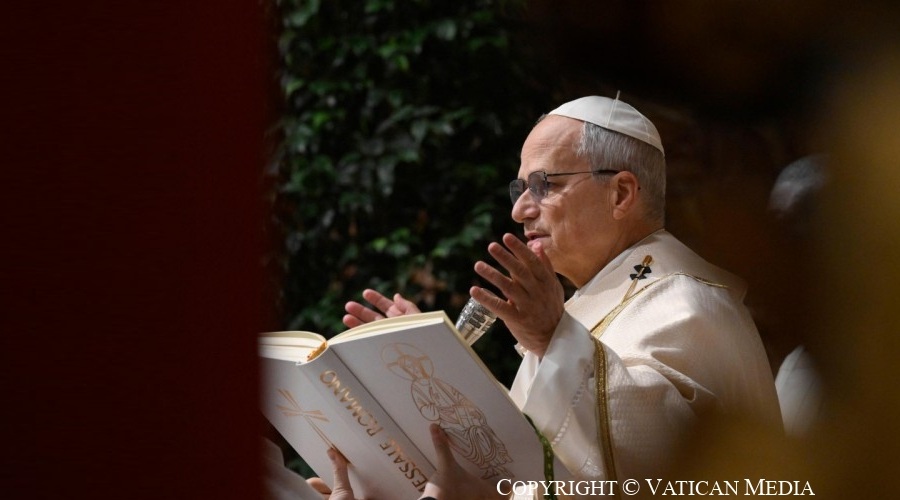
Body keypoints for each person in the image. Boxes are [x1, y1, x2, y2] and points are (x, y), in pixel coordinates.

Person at [339, 95, 782, 497]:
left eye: (544, 185)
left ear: (621, 193)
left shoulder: (688, 301)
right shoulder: (581, 311)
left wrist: (555, 337)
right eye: (520, 189)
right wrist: (436, 368)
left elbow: (668, 466)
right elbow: (526, 457)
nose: (519, 210)